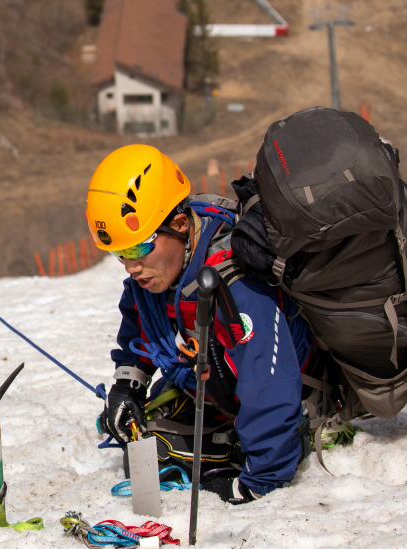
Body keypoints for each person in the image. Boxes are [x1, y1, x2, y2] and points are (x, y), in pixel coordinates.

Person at [87, 145, 313, 504]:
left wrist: (255, 485)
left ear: (179, 224)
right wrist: (128, 386)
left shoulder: (234, 282)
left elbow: (270, 387)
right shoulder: (162, 271)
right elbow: (140, 318)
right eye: (120, 254)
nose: (129, 266)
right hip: (215, 388)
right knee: (148, 445)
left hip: (290, 398)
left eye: (137, 249)